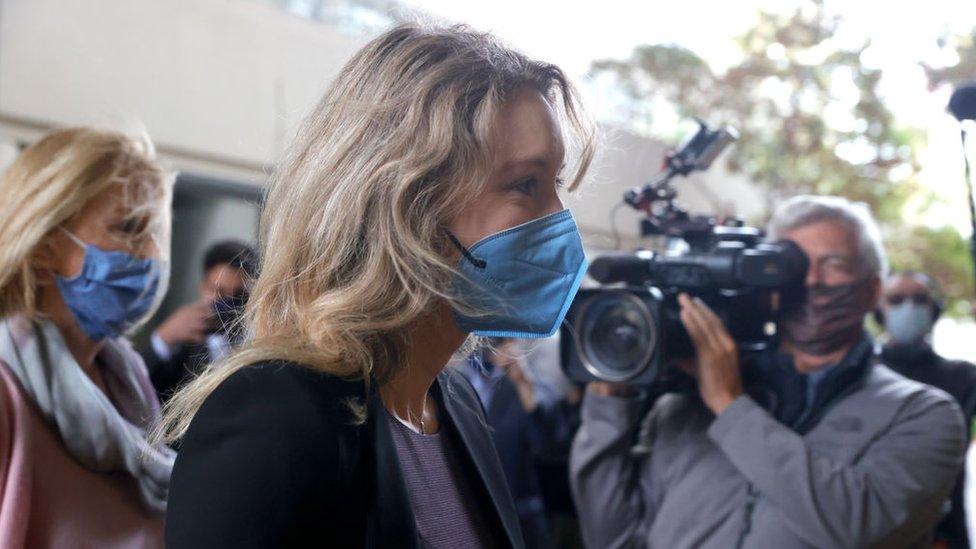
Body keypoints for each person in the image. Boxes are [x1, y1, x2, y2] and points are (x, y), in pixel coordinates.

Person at [157, 22, 595, 548]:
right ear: (407, 203)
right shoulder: (274, 416)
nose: (560, 221)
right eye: (526, 184)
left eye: (556, 185)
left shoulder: (453, 402)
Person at [571, 195, 967, 548]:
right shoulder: (683, 406)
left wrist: (731, 405)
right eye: (791, 264)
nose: (810, 280)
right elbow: (612, 538)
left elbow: (858, 527)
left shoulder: (925, 414)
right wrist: (610, 403)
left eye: (834, 265)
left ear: (872, 288)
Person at [0, 127, 175, 547]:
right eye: (129, 228)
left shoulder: (125, 377)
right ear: (43, 245)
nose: (152, 254)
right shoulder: (6, 390)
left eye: (154, 234)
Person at [878, 271, 976, 548]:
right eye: (896, 300)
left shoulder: (963, 376)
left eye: (919, 299)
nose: (908, 308)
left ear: (935, 310)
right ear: (878, 310)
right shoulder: (859, 377)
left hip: (943, 534)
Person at [464, 339, 580, 549]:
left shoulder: (527, 384)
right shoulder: (456, 378)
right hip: (469, 511)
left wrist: (522, 382)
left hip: (521, 516)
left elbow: (551, 445)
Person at [141, 240, 257, 400]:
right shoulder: (181, 343)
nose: (228, 303)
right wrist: (162, 339)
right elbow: (140, 391)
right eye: (219, 292)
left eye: (239, 295)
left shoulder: (260, 340)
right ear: (203, 287)